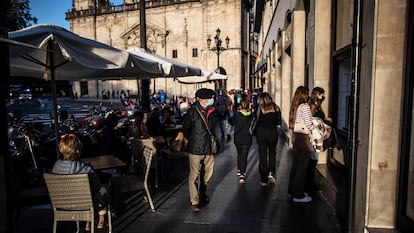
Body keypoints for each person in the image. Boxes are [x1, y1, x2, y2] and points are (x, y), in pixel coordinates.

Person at [52, 134, 109, 230]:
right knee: (104, 189)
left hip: (62, 206)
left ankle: (90, 221)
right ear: (78, 151)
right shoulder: (86, 169)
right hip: (85, 206)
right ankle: (99, 218)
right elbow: (98, 188)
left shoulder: (56, 167)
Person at [183, 88, 217, 212]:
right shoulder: (192, 112)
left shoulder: (213, 111)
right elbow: (186, 129)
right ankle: (195, 201)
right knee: (194, 175)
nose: (212, 100)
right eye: (210, 98)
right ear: (203, 99)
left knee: (208, 173)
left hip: (209, 149)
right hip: (195, 148)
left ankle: (202, 192)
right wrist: (192, 141)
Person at [288, 86, 314, 203]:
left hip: (296, 136)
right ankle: (298, 195)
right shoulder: (305, 106)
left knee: (296, 164)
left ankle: (293, 190)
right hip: (303, 137)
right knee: (302, 167)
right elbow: (309, 124)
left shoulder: (295, 106)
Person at [307, 87, 332, 191]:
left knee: (313, 160)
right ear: (317, 94)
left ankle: (310, 183)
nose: (323, 96)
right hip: (314, 137)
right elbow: (311, 120)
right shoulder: (312, 105)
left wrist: (325, 119)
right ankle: (310, 184)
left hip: (318, 136)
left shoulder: (317, 105)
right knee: (313, 161)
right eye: (322, 94)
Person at [255, 92, 281, 187]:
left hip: (261, 132)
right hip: (272, 132)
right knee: (272, 153)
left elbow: (255, 120)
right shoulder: (276, 108)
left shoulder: (259, 108)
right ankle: (271, 172)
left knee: (262, 155)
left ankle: (263, 179)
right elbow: (278, 122)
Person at [229, 98, 254, 184]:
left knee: (239, 154)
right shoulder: (252, 115)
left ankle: (239, 169)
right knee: (244, 155)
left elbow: (231, 122)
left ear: (240, 106)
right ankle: (242, 173)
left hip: (238, 138)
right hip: (247, 138)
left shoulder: (237, 115)